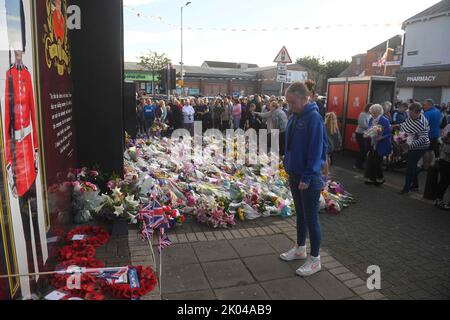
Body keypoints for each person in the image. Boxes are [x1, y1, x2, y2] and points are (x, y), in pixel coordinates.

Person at [280, 81, 327, 277]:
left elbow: (316, 151)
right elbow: (290, 145)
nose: (289, 106)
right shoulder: (295, 115)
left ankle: (315, 260)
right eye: (288, 102)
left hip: (309, 177)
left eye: (293, 102)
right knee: (300, 215)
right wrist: (287, 162)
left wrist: (307, 176)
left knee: (311, 218)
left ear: (305, 98)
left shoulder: (313, 118)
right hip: (295, 173)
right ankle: (300, 248)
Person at [398, 103, 430, 195]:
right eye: (409, 113)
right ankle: (415, 185)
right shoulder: (411, 116)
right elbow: (405, 124)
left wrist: (409, 146)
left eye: (411, 114)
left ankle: (406, 188)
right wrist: (397, 126)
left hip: (420, 146)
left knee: (410, 167)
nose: (409, 115)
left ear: (418, 113)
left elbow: (423, 138)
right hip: (408, 142)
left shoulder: (422, 123)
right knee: (412, 165)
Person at [364, 104, 392, 186]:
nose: (373, 115)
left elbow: (389, 133)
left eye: (375, 113)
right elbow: (369, 130)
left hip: (381, 145)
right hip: (372, 144)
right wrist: (367, 134)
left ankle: (380, 178)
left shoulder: (384, 120)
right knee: (370, 161)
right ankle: (371, 179)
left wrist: (382, 137)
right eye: (372, 113)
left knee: (377, 163)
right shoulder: (371, 120)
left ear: (379, 112)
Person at [435, 124, 450, 210]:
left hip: (445, 157)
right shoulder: (448, 126)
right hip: (445, 159)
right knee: (444, 180)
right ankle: (438, 200)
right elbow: (441, 139)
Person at [354, 104, 372, 170]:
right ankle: (358, 164)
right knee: (363, 149)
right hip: (360, 134)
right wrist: (372, 127)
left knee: (366, 149)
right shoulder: (362, 114)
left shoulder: (370, 115)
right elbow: (362, 124)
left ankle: (360, 163)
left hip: (367, 134)